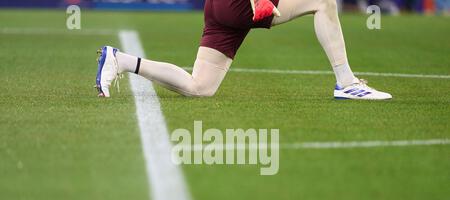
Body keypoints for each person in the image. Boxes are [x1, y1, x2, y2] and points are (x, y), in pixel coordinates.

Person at [96, 0, 392, 100]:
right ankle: (347, 83)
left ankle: (121, 61)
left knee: (200, 87)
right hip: (241, 4)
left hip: (219, 6)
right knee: (323, 2)